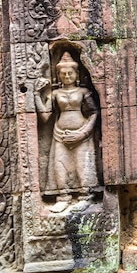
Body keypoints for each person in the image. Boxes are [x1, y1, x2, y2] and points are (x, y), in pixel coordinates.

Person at [34, 52, 98, 212]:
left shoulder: (83, 92)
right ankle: (63, 197)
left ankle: (85, 196)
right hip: (60, 135)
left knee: (82, 165)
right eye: (63, 73)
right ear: (58, 75)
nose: (67, 76)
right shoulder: (55, 94)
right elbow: (45, 116)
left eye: (70, 73)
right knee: (59, 165)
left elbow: (94, 112)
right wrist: (36, 95)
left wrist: (83, 133)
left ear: (77, 74)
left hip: (82, 134)